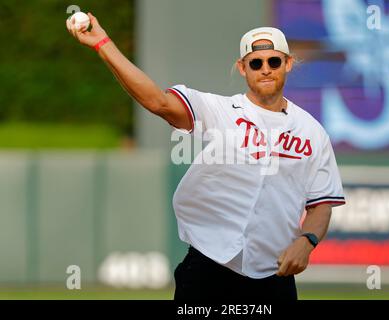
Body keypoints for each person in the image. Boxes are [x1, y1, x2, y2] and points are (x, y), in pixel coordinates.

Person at [66, 13, 346, 301]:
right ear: (242, 68)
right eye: (255, 62)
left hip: (274, 275)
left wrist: (307, 240)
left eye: (274, 61)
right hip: (209, 268)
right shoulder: (220, 110)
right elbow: (158, 102)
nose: (265, 69)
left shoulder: (312, 132)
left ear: (287, 64)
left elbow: (321, 204)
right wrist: (103, 43)